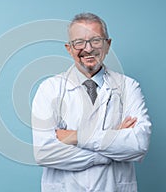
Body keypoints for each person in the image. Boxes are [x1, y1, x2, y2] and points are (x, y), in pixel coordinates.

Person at [31, 12, 152, 192]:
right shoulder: (49, 89)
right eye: (79, 42)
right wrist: (111, 142)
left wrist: (76, 137)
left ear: (107, 45)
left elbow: (139, 144)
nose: (88, 49)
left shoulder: (128, 87)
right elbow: (44, 153)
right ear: (69, 48)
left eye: (96, 40)